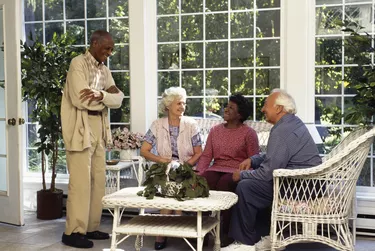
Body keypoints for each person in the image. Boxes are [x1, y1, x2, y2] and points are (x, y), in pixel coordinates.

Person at [221, 89, 322, 251]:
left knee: (246, 187)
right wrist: (252, 160)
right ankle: (263, 236)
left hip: (302, 186)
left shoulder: (281, 130)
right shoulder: (292, 122)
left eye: (266, 105)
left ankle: (243, 242)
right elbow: (275, 155)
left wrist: (242, 174)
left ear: (279, 109)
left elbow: (267, 173)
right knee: (251, 184)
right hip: (306, 182)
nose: (262, 109)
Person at [60, 30, 124, 249]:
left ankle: (90, 227)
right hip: (81, 126)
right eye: (106, 48)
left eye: (111, 50)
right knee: (80, 182)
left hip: (99, 126)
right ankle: (73, 232)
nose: (109, 53)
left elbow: (119, 99)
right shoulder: (77, 64)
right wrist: (105, 98)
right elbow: (80, 99)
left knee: (98, 179)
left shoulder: (104, 70)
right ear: (94, 43)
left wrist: (102, 96)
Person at [140, 86, 203, 250]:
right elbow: (144, 151)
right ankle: (181, 228)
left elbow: (198, 153)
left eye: (184, 103)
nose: (183, 107)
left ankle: (162, 233)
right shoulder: (157, 125)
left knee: (173, 184)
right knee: (169, 182)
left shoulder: (191, 125)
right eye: (178, 104)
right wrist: (160, 159)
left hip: (187, 169)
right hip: (163, 170)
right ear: (168, 106)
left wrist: (184, 166)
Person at [196, 93, 259, 246]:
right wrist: (198, 173)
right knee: (203, 182)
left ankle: (226, 231)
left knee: (224, 184)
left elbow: (254, 159)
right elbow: (206, 156)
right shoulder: (215, 131)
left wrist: (245, 173)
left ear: (240, 114)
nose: (226, 109)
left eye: (231, 107)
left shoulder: (249, 133)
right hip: (216, 167)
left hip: (235, 171)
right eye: (227, 106)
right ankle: (200, 228)